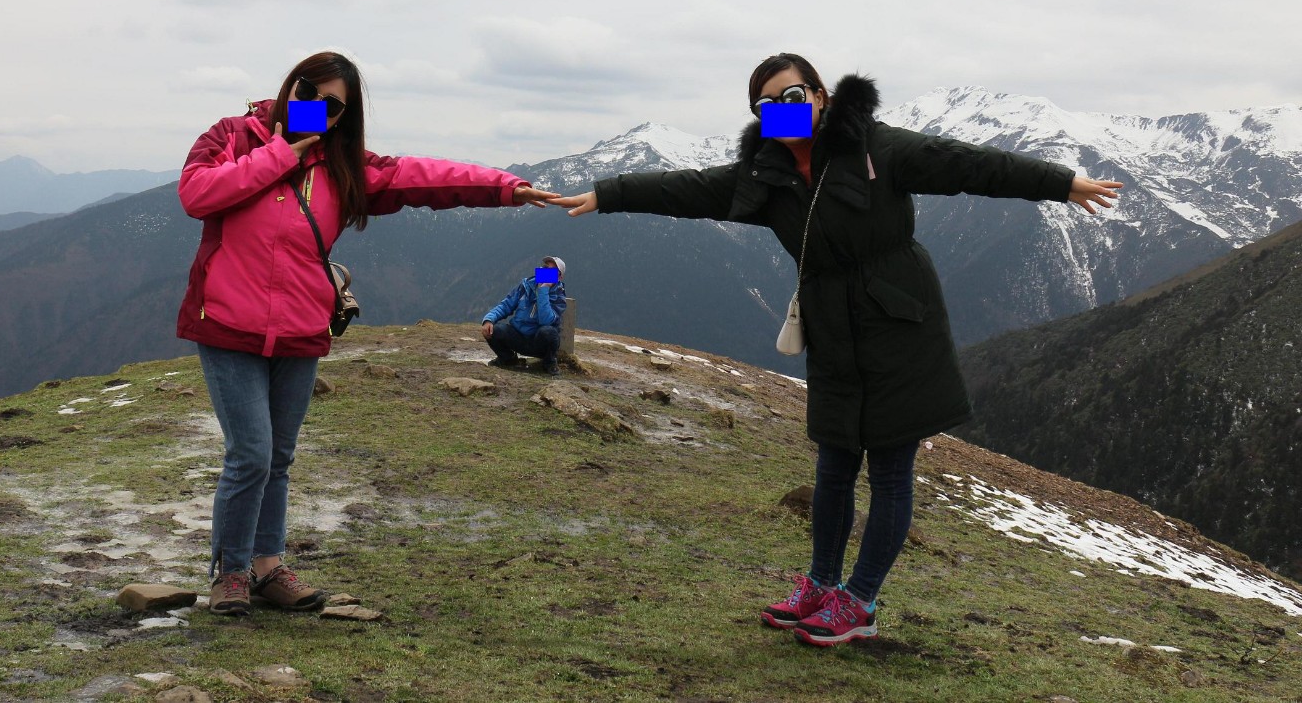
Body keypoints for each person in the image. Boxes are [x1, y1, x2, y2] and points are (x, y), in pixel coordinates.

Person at [549, 53, 1121, 647]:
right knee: (834, 463)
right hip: (831, 328)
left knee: (892, 472)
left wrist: (1061, 183)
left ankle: (861, 601)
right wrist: (605, 193)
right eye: (768, 105)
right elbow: (687, 189)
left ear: (820, 96)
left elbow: (969, 166)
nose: (783, 111)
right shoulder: (764, 176)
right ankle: (822, 586)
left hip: (901, 323)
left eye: (793, 97)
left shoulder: (878, 148)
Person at [177, 51, 559, 618]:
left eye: (335, 105)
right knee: (251, 453)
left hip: (301, 325)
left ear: (345, 117)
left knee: (278, 456)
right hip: (229, 322)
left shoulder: (346, 167)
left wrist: (507, 187)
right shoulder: (233, 137)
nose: (319, 107)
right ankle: (230, 572)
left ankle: (266, 566)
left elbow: (427, 178)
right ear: (291, 85)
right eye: (311, 91)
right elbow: (198, 195)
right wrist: (284, 152)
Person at [482, 255, 568, 375]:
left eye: (552, 271)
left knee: (549, 332)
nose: (547, 271)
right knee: (495, 329)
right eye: (545, 267)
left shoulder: (559, 297)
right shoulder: (526, 286)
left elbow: (546, 321)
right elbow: (506, 305)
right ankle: (508, 359)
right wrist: (488, 319)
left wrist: (543, 290)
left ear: (559, 277)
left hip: (539, 342)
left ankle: (549, 363)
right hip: (518, 336)